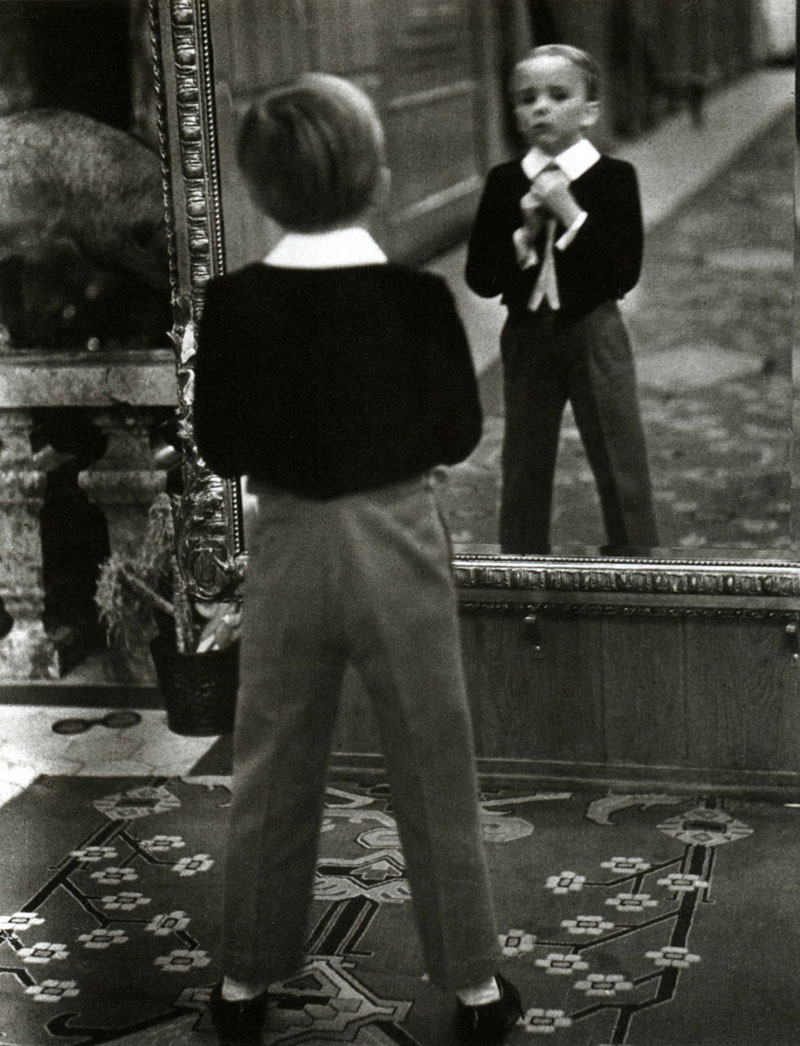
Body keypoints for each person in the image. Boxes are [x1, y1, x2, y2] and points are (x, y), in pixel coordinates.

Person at [193, 73, 523, 1045]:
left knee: (272, 761)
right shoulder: (417, 299)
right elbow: (458, 432)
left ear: (259, 187)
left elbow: (217, 447)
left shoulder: (233, 304)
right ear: (376, 176)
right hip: (397, 541)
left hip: (290, 541)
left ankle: (243, 984)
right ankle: (471, 986)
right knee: (432, 759)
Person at [465, 44, 659, 555]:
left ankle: (636, 559)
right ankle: (523, 562)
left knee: (620, 455)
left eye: (557, 95)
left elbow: (624, 273)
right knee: (523, 460)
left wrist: (570, 212)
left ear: (589, 112)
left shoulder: (616, 179)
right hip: (526, 336)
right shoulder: (505, 182)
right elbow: (481, 279)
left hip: (596, 332)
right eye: (526, 99)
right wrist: (523, 237)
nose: (540, 108)